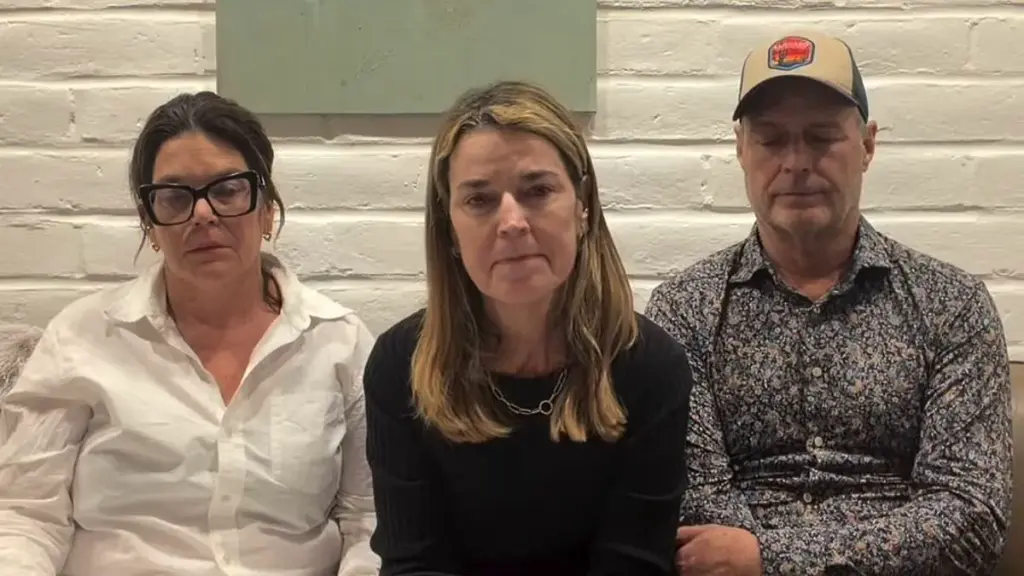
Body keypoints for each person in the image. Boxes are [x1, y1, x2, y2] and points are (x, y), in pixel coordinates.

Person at [645, 32, 1013, 575]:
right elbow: (695, 503)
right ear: (740, 148)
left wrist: (769, 561)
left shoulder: (953, 307)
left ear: (867, 145)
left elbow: (971, 517)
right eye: (771, 139)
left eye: (821, 138)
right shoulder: (684, 310)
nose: (796, 162)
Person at [0, 91, 380, 576]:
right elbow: (28, 515)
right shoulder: (81, 338)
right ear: (150, 224)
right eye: (175, 197)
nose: (203, 214)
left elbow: (368, 521)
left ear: (266, 209)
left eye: (228, 190)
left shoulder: (339, 343)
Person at [362, 80, 692, 576]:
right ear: (449, 228)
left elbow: (634, 565)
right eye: (479, 200)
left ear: (582, 206)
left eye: (538, 191)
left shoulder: (651, 366)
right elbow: (415, 564)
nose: (512, 222)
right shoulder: (399, 365)